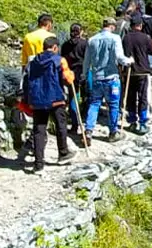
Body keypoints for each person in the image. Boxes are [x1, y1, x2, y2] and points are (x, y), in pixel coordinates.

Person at [25, 37, 76, 172]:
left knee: (39, 130)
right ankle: (63, 153)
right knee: (61, 126)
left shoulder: (33, 61)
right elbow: (68, 79)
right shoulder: (59, 60)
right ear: (54, 47)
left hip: (37, 100)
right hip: (55, 98)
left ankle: (38, 164)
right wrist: (71, 75)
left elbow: (27, 78)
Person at [83, 18, 131, 144]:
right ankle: (113, 132)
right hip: (111, 78)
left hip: (96, 78)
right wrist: (129, 61)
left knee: (94, 104)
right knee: (113, 105)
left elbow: (86, 61)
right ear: (112, 26)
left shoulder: (92, 40)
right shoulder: (115, 38)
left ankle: (88, 130)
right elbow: (119, 57)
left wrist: (84, 75)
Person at [122, 17, 152, 134]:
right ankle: (142, 123)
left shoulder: (126, 38)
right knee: (142, 97)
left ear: (131, 26)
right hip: (143, 71)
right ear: (140, 26)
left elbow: (124, 53)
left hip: (130, 71)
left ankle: (132, 121)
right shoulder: (145, 37)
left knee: (130, 97)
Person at [61, 23, 89, 134]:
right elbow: (88, 58)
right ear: (80, 31)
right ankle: (87, 121)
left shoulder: (65, 45)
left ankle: (74, 124)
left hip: (70, 72)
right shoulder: (85, 44)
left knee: (73, 98)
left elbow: (63, 59)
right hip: (83, 71)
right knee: (88, 96)